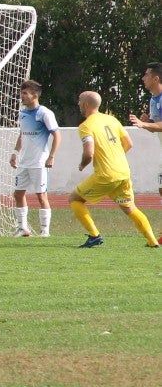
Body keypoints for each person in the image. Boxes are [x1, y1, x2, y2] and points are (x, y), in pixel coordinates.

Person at [69, 90, 158, 248]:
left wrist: (83, 164)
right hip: (123, 171)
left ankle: (94, 236)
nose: (78, 103)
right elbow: (129, 143)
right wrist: (114, 157)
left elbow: (89, 153)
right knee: (129, 207)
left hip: (106, 174)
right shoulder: (111, 119)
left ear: (86, 105)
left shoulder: (85, 126)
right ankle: (152, 241)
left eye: (80, 100)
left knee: (74, 199)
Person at [9, 79, 60, 237]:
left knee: (41, 196)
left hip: (39, 162)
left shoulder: (44, 113)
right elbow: (22, 135)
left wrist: (51, 156)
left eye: (25, 93)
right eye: (21, 93)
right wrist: (15, 153)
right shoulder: (23, 114)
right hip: (24, 162)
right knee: (18, 194)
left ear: (35, 95)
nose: (22, 96)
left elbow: (57, 135)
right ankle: (23, 228)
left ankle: (45, 230)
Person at [128, 61, 162, 209]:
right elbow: (156, 127)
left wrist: (144, 124)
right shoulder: (153, 100)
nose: (143, 78)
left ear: (156, 79)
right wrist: (148, 122)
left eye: (146, 75)